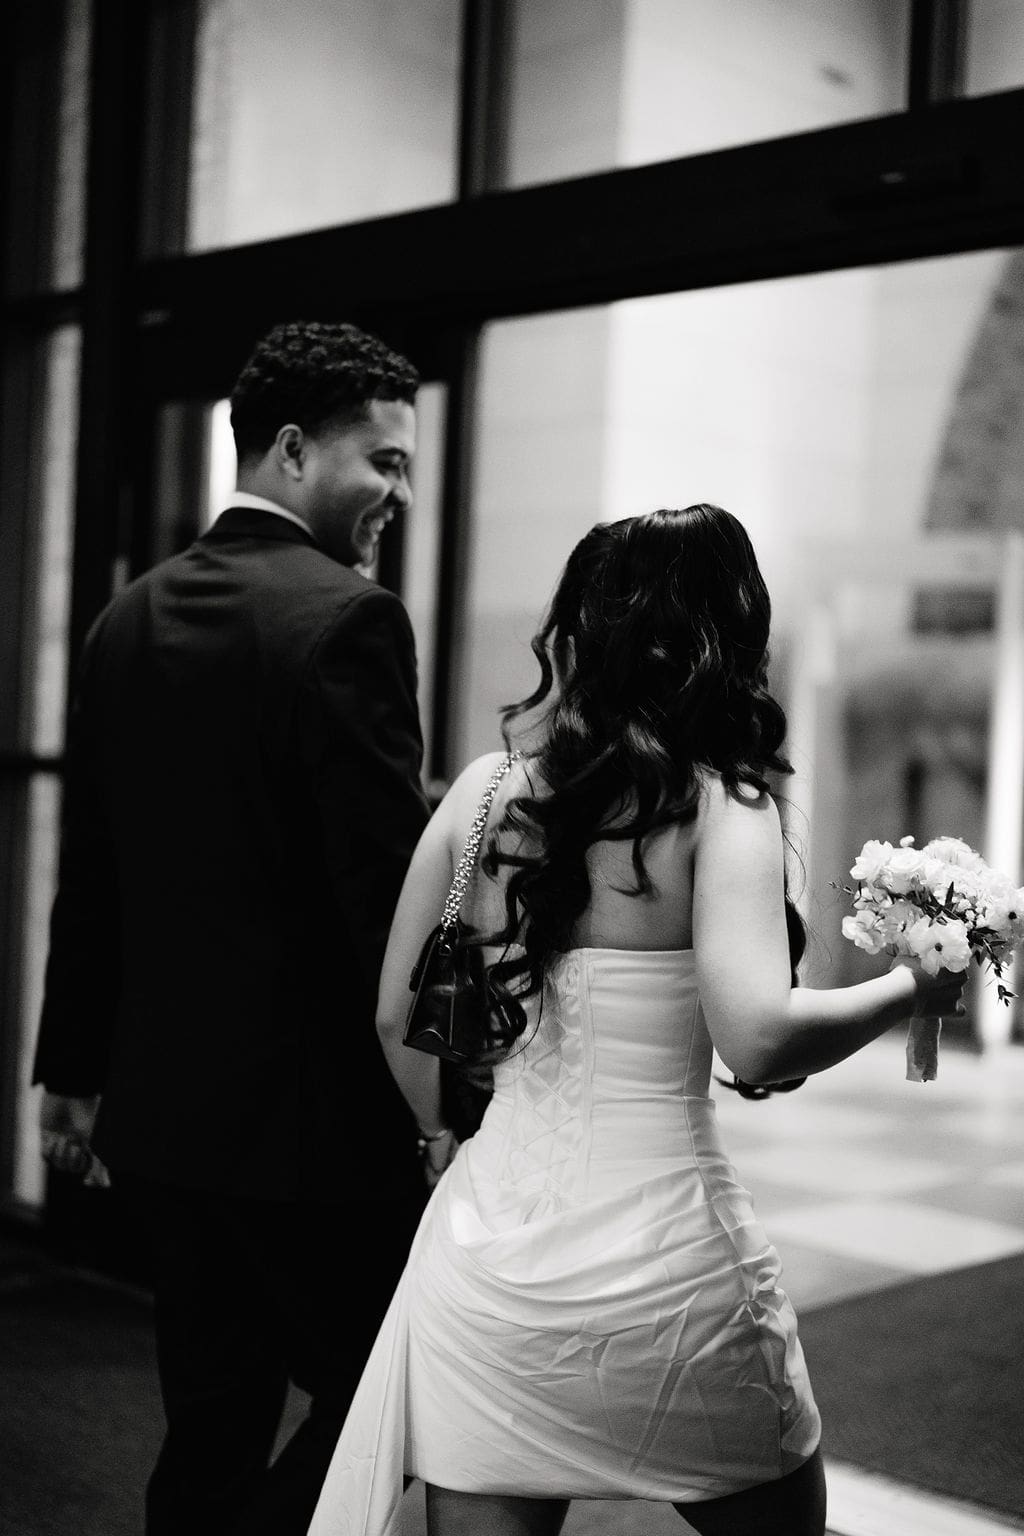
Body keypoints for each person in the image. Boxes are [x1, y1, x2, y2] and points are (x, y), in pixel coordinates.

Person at [308, 504, 968, 1536]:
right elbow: (754, 1036)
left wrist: (442, 1132)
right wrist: (912, 989)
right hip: (670, 1282)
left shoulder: (481, 798)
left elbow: (398, 1014)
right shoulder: (720, 805)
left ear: (578, 634)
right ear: (728, 635)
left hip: (491, 1269)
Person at [33, 320, 432, 1536]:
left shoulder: (126, 620)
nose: (399, 496)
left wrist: (71, 1075)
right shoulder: (349, 623)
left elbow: (89, 870)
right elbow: (382, 905)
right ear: (296, 450)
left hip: (168, 1121)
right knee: (397, 1395)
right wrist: (444, 1095)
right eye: (387, 461)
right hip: (315, 1137)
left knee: (212, 1417)